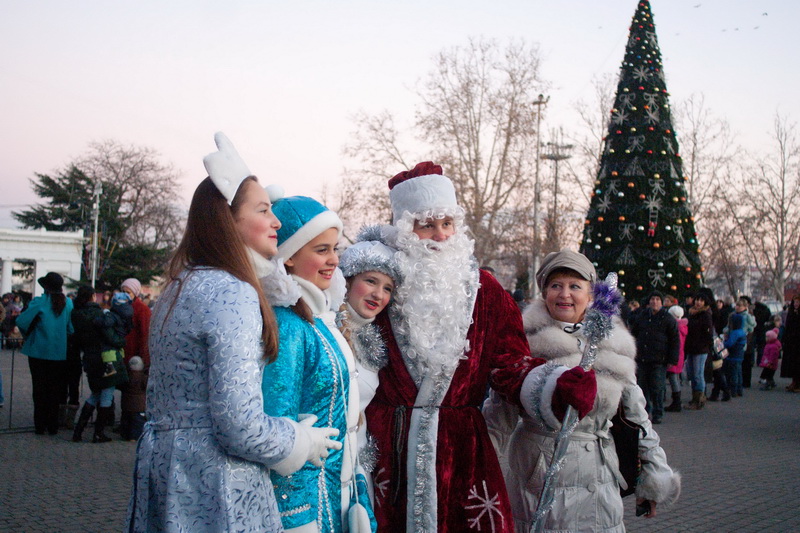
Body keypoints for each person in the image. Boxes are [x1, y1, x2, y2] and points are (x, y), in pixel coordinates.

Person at [363, 163, 596, 532]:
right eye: (426, 224)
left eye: (447, 224)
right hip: (388, 448)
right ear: (404, 230)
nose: (439, 236)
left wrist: (553, 384)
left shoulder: (485, 291)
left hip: (461, 450)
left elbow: (509, 363)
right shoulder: (378, 287)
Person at [127, 132, 340, 532]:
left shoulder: (180, 283)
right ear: (230, 220)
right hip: (216, 485)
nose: (275, 220)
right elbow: (240, 426)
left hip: (166, 470)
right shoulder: (233, 291)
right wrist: (301, 441)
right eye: (263, 210)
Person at [486, 250, 680, 532]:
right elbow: (496, 418)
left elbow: (638, 420)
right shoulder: (523, 344)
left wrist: (652, 477)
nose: (565, 294)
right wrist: (471, 472)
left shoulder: (614, 345)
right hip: (539, 479)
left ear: (590, 296)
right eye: (556, 285)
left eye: (575, 286)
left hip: (598, 482)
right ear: (544, 293)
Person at [259, 193, 374, 532]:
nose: (334, 260)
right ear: (289, 257)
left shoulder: (318, 317)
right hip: (309, 506)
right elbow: (281, 426)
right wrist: (297, 518)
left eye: (335, 249)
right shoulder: (288, 325)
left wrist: (355, 492)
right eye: (321, 250)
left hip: (337, 496)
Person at [338, 231, 401, 509]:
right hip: (324, 468)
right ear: (348, 280)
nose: (379, 294)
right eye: (371, 281)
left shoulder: (373, 341)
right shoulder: (325, 330)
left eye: (387, 287)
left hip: (357, 469)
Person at [16, 272, 74, 435]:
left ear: (46, 287)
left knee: (40, 389)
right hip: (59, 353)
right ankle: (53, 425)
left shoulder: (39, 302)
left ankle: (40, 426)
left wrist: (28, 335)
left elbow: (21, 321)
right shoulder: (68, 303)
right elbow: (70, 328)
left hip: (38, 352)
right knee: (55, 390)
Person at [71, 285, 127, 443]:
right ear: (93, 297)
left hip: (89, 357)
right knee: (107, 391)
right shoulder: (99, 314)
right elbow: (109, 336)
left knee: (96, 391)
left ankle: (79, 431)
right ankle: (98, 433)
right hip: (105, 357)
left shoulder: (75, 314)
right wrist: (121, 341)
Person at [630, 290, 679, 424]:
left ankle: (658, 412)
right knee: (642, 387)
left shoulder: (667, 318)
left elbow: (675, 340)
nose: (655, 302)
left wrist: (672, 359)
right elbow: (634, 334)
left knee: (657, 388)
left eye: (658, 299)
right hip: (642, 358)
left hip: (659, 359)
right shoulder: (642, 316)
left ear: (661, 303)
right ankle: (644, 412)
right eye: (653, 299)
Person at [683, 291, 714, 410]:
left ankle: (699, 398)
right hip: (690, 347)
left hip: (700, 349)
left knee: (698, 374)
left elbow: (708, 333)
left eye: (701, 300)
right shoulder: (691, 313)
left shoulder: (705, 314)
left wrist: (706, 345)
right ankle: (694, 397)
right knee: (691, 374)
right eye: (697, 300)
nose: (698, 302)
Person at [96, 291, 134, 378]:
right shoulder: (128, 312)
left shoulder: (114, 314)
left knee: (107, 348)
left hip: (115, 336)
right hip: (122, 335)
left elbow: (107, 323)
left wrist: (99, 319)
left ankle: (110, 367)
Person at [120, 278, 151, 373]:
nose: (125, 295)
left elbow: (145, 334)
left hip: (135, 355)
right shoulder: (120, 307)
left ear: (135, 293)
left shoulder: (142, 309)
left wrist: (144, 358)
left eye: (128, 292)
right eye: (123, 292)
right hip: (122, 353)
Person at [665, 305, 688, 413]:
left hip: (675, 356)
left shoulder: (675, 328)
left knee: (673, 378)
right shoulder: (682, 327)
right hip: (680, 355)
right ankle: (676, 400)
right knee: (675, 378)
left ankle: (677, 401)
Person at [120, 355, 147, 441]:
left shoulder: (125, 376)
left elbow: (120, 386)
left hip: (126, 404)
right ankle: (134, 437)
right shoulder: (143, 377)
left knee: (126, 420)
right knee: (137, 422)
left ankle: (125, 434)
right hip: (139, 406)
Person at [780, 295, 800, 392]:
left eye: (798, 302)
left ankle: (797, 384)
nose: (796, 304)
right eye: (795, 302)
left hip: (798, 342)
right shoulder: (791, 312)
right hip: (791, 342)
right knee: (792, 363)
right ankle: (794, 382)